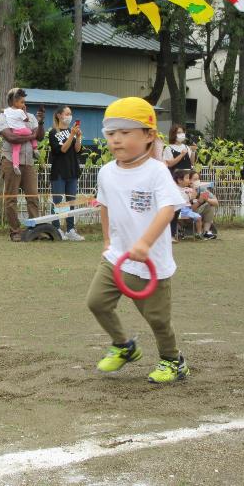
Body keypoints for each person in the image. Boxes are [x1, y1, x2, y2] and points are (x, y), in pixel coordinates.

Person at [85, 97, 189, 384]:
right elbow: (104, 204)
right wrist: (107, 240)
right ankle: (124, 345)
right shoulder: (106, 171)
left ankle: (173, 361)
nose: (116, 140)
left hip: (150, 260)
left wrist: (144, 243)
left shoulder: (156, 172)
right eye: (111, 133)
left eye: (125, 132)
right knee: (96, 302)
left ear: (148, 136)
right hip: (117, 256)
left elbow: (169, 208)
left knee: (157, 318)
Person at [0, 88, 46, 242]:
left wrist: (40, 122)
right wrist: (31, 135)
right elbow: (11, 137)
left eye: (25, 101)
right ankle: (15, 231)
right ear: (13, 101)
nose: (24, 104)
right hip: (11, 161)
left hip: (29, 162)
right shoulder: (3, 116)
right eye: (22, 101)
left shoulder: (30, 117)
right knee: (11, 198)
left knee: (32, 197)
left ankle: (34, 230)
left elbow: (40, 137)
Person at [48, 106, 84, 241]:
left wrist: (78, 137)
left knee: (71, 201)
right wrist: (71, 135)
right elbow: (62, 149)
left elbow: (77, 149)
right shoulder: (53, 132)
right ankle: (56, 228)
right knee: (58, 201)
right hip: (59, 171)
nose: (69, 116)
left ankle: (70, 229)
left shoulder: (71, 131)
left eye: (70, 114)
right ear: (59, 115)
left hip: (72, 170)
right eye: (67, 113)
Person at [164, 125, 193, 240]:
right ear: (173, 134)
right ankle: (170, 234)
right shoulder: (168, 148)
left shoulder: (187, 147)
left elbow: (191, 163)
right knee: (174, 209)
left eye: (182, 132)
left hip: (186, 181)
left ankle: (183, 231)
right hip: (174, 181)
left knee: (184, 206)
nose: (181, 134)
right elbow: (169, 163)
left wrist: (193, 151)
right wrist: (181, 154)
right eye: (179, 132)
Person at [4, 101, 36, 176]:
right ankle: (35, 147)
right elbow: (26, 119)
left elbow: (3, 111)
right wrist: (24, 111)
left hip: (14, 132)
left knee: (15, 150)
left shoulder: (8, 112)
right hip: (23, 130)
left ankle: (15, 165)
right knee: (32, 134)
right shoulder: (20, 111)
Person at [173, 169, 203, 239]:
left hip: (187, 210)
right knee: (176, 218)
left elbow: (193, 197)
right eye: (187, 178)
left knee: (198, 217)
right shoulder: (174, 189)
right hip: (179, 210)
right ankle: (178, 232)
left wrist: (193, 188)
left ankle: (199, 233)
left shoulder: (188, 189)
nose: (189, 180)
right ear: (179, 180)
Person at [188, 170, 218, 239]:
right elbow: (189, 209)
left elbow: (216, 202)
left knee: (210, 204)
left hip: (199, 212)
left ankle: (206, 231)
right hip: (188, 213)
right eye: (195, 179)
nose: (197, 181)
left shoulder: (202, 188)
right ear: (189, 180)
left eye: (198, 179)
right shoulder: (186, 190)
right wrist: (199, 201)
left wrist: (207, 199)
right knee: (208, 204)